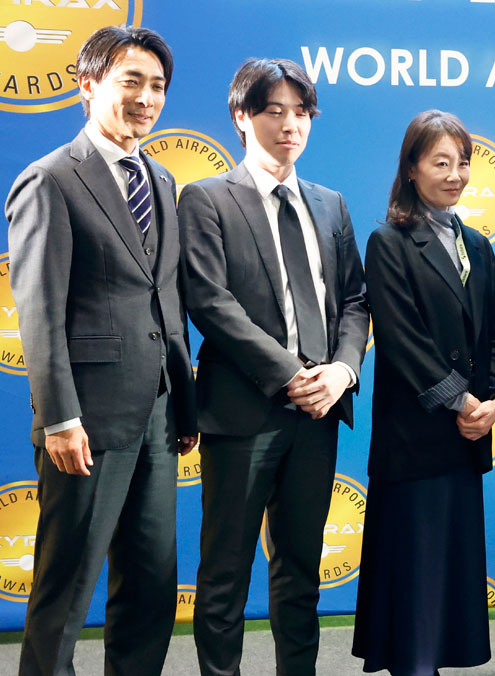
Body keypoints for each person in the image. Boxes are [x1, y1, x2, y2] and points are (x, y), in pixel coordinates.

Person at [5, 25, 197, 676]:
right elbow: (39, 310)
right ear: (87, 87)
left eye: (158, 86)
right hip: (85, 420)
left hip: (159, 416)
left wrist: (183, 401)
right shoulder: (50, 179)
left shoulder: (162, 178)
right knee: (66, 587)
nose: (147, 98)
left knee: (151, 583)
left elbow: (163, 298)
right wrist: (60, 417)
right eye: (131, 81)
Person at [178, 58, 370, 676]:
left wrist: (340, 372)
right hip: (243, 414)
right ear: (242, 116)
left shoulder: (331, 204)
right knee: (225, 573)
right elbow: (209, 301)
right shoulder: (206, 198)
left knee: (300, 571)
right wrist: (291, 374)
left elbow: (355, 300)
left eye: (302, 112)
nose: (291, 125)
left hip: (318, 414)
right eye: (274, 111)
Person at [351, 109, 495, 675]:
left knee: (450, 572)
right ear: (411, 169)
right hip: (415, 438)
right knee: (413, 573)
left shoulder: (478, 245)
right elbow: (402, 340)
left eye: (462, 162)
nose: (455, 174)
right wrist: (461, 401)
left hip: (466, 439)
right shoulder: (388, 241)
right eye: (440, 162)